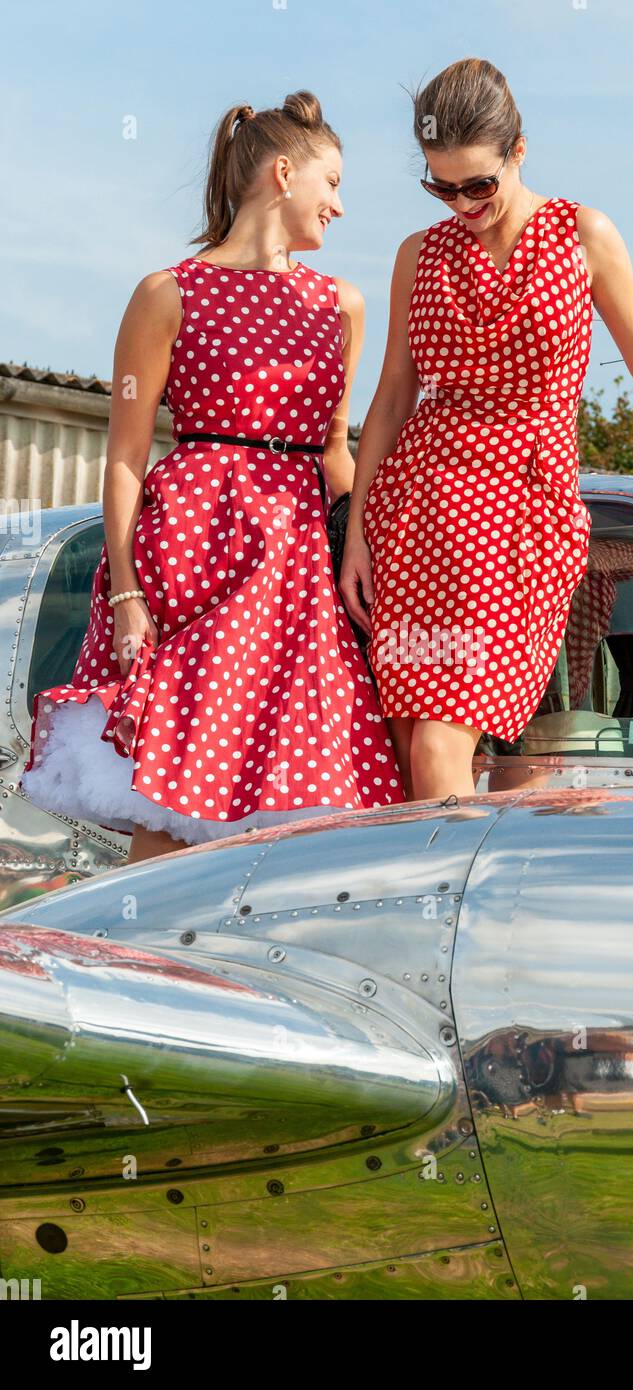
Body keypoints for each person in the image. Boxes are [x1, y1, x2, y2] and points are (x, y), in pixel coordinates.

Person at [340, 57, 633, 802]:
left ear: (518, 151)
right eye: (440, 185)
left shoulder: (581, 234)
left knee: (439, 740)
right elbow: (394, 395)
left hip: (517, 516)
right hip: (417, 514)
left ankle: (454, 903)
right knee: (414, 751)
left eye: (477, 184)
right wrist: (358, 534)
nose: (460, 203)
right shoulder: (418, 253)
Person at [20, 91, 404, 862]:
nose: (340, 205)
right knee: (171, 792)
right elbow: (126, 456)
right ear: (285, 174)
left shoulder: (344, 305)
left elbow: (336, 449)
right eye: (332, 183)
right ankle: (147, 965)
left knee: (306, 799)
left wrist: (362, 545)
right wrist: (126, 596)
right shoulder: (166, 293)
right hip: (190, 558)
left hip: (295, 569)